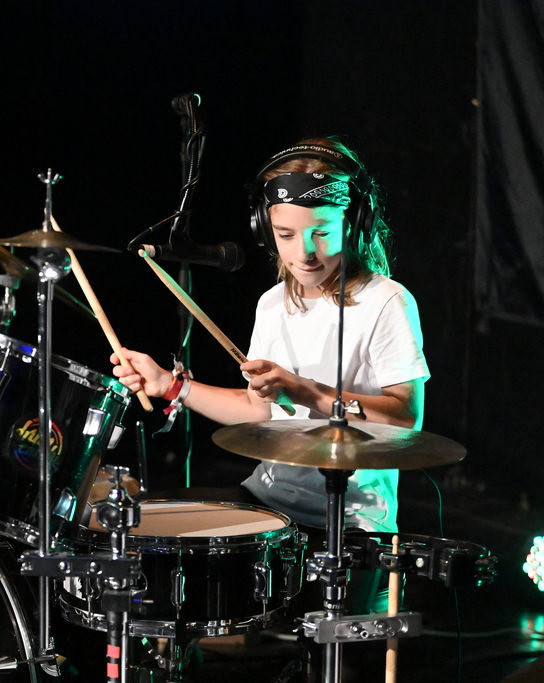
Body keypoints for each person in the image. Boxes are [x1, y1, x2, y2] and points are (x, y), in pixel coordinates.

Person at [112, 136, 429, 544]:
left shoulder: (385, 301)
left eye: (322, 232)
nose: (304, 252)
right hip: (267, 500)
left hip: (349, 523)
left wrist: (303, 390)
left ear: (355, 223)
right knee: (138, 530)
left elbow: (405, 421)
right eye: (285, 234)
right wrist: (172, 386)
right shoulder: (273, 303)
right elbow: (258, 410)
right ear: (264, 230)